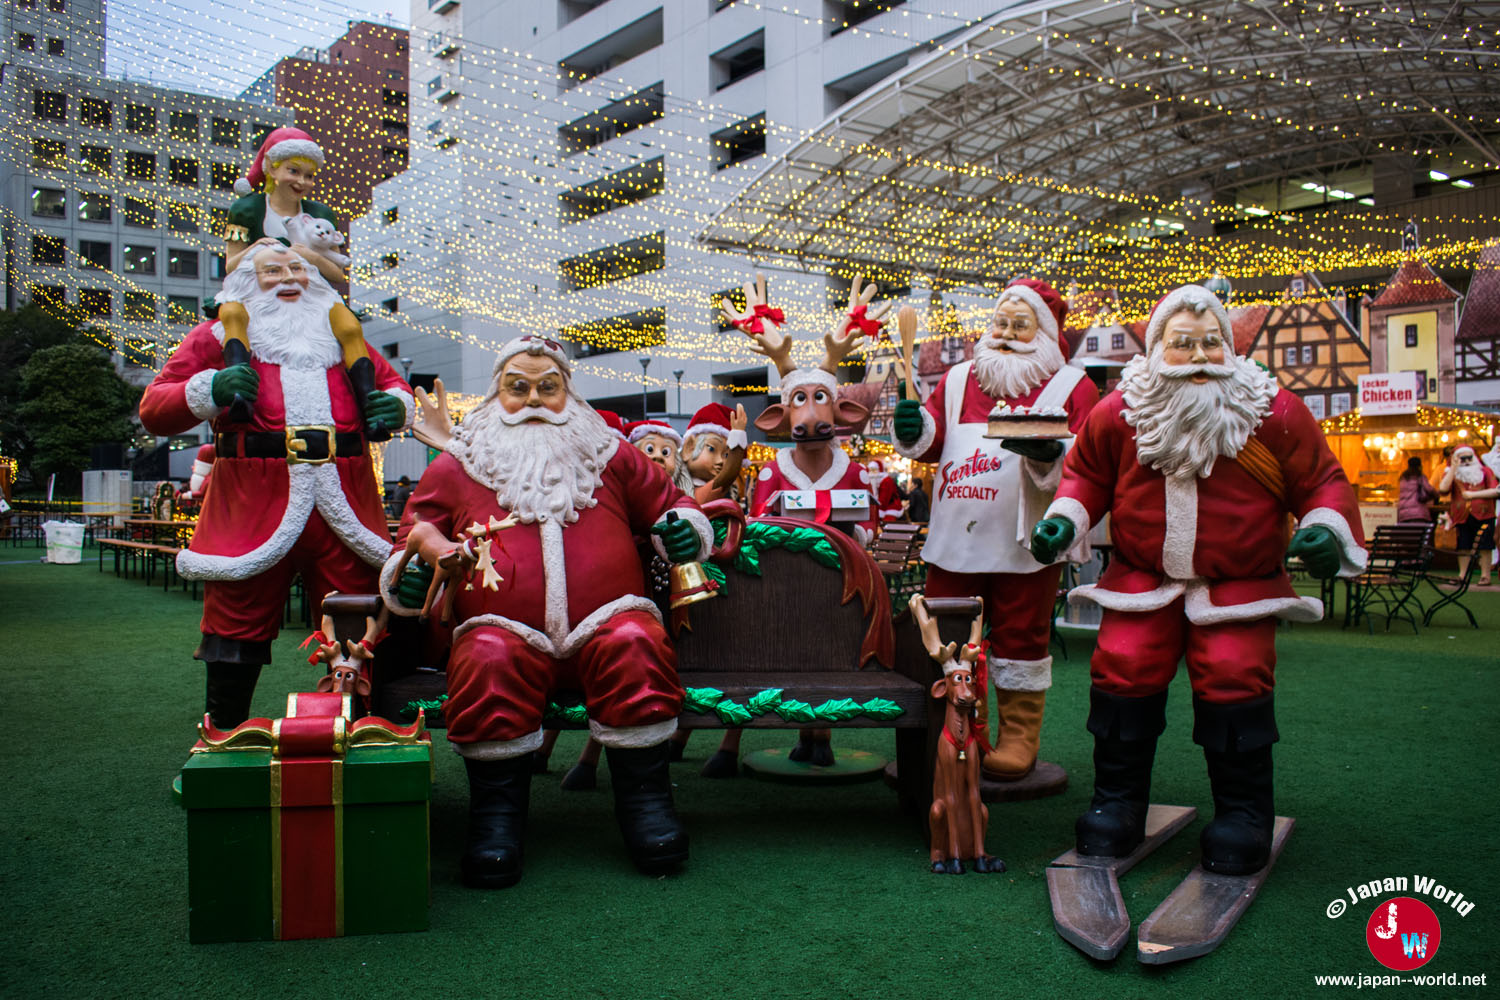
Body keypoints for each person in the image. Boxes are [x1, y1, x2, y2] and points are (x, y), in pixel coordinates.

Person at [1030, 283, 1366, 876]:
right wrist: (1064, 520)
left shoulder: (1273, 411)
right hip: (1142, 581)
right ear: (1159, 346)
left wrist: (1327, 526)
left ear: (1229, 346)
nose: (1200, 356)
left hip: (1239, 585)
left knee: (1236, 675)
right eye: (1183, 344)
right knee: (1122, 667)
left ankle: (1242, 813)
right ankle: (1117, 803)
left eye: (1211, 342)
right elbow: (1085, 477)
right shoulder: (1120, 412)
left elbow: (1322, 480)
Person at [384, 335, 711, 888]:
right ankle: (496, 820)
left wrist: (682, 530)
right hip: (500, 625)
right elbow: (416, 535)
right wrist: (410, 575)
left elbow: (670, 503)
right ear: (497, 394)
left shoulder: (610, 453)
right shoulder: (460, 463)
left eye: (548, 386)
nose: (534, 398)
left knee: (637, 646)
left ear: (569, 393)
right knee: (487, 660)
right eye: (519, 387)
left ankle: (647, 806)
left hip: (609, 616)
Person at [139, 245, 413, 730]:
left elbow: (396, 389)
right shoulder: (215, 338)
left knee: (355, 621)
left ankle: (357, 734)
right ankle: (223, 736)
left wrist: (396, 407)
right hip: (251, 505)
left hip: (344, 500)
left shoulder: (343, 341)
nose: (289, 280)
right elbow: (155, 408)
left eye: (298, 271)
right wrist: (209, 390)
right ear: (247, 283)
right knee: (235, 622)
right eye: (272, 271)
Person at [891, 277, 1099, 781]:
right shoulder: (960, 378)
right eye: (1000, 323)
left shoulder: (1074, 387)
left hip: (1027, 539)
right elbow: (931, 439)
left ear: (1046, 333)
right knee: (947, 634)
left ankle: (1019, 736)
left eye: (1020, 325)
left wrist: (1055, 454)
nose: (1005, 334)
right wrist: (912, 427)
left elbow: (1092, 461)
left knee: (1022, 636)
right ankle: (957, 728)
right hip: (955, 536)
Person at [224, 127, 346, 286]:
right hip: (259, 293)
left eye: (309, 176)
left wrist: (310, 256)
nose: (302, 182)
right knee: (231, 312)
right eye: (294, 171)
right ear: (272, 168)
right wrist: (256, 248)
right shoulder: (247, 209)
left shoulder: (320, 213)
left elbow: (338, 275)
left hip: (309, 296)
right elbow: (231, 267)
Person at [1438, 444, 1497, 585]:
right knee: (1463, 544)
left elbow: (1496, 490)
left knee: (1485, 545)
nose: (1465, 461)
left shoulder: (1485, 472)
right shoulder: (1452, 474)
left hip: (1484, 513)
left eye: (1468, 458)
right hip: (1461, 515)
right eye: (1461, 458)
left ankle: (1485, 575)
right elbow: (1443, 488)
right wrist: (1453, 467)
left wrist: (1473, 495)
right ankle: (1462, 574)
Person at [1395, 457, 1438, 524]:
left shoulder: (1403, 478)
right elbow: (1429, 489)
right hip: (1418, 514)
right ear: (1420, 466)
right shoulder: (1420, 477)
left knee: (1409, 533)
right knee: (1421, 533)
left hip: (1403, 514)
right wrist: (1437, 494)